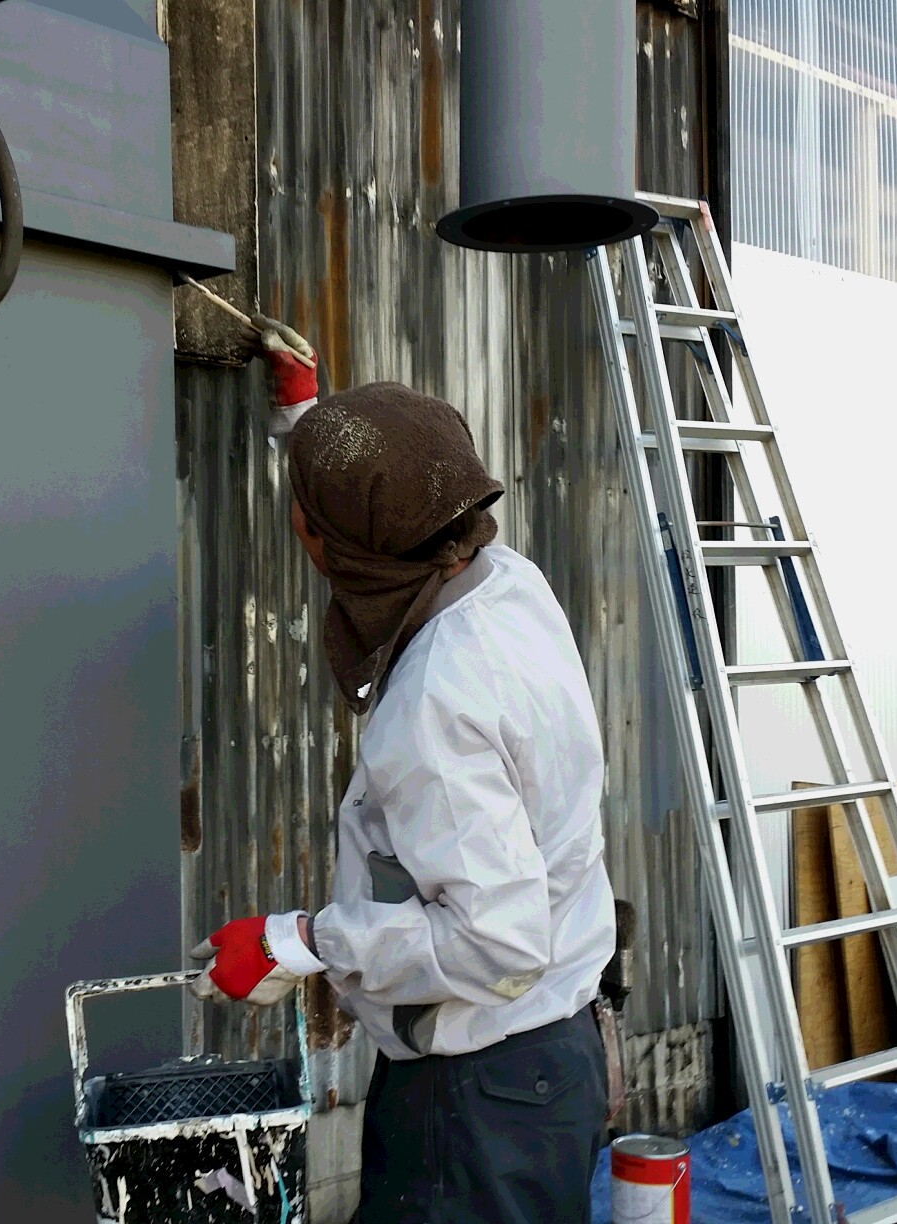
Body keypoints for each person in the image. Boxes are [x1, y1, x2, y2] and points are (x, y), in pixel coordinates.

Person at [189, 315, 617, 1223]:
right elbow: (375, 509)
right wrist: (302, 418)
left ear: (325, 546)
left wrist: (302, 940)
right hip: (551, 1063)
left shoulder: (433, 699)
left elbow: (495, 944)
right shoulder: (504, 578)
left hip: (474, 1101)